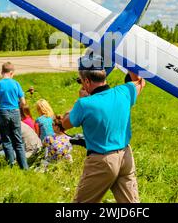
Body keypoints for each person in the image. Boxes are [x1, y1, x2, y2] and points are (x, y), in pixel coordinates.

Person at [62, 54, 146, 203]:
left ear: (87, 81)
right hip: (126, 156)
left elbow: (65, 123)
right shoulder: (124, 92)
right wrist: (128, 58)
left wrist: (81, 99)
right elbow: (140, 82)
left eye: (80, 81)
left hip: (102, 161)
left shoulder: (84, 104)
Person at [0, 62, 28, 170]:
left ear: (2, 72)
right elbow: (23, 102)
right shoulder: (16, 84)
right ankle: (24, 167)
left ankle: (11, 165)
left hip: (3, 112)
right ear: (11, 73)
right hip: (15, 112)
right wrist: (16, 104)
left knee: (6, 140)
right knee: (18, 140)